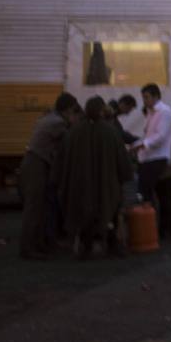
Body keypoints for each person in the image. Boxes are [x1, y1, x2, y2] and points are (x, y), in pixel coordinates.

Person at [59, 96, 134, 258]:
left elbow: (64, 159)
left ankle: (86, 247)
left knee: (85, 214)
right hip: (106, 185)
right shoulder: (110, 132)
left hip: (82, 185)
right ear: (101, 111)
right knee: (110, 212)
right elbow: (121, 159)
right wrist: (125, 175)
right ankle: (112, 245)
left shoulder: (74, 132)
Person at [18, 93, 79, 260]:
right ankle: (28, 249)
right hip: (36, 165)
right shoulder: (58, 123)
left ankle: (38, 244)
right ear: (67, 109)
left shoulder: (49, 117)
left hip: (34, 163)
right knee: (34, 208)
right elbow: (70, 140)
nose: (74, 114)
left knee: (39, 208)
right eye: (73, 110)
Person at [135, 83, 171, 238]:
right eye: (143, 97)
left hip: (156, 157)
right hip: (149, 156)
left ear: (156, 96)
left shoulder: (164, 112)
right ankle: (159, 228)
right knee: (160, 193)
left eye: (146, 97)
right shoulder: (152, 112)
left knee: (148, 192)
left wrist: (144, 144)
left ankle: (159, 229)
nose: (144, 101)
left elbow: (160, 136)